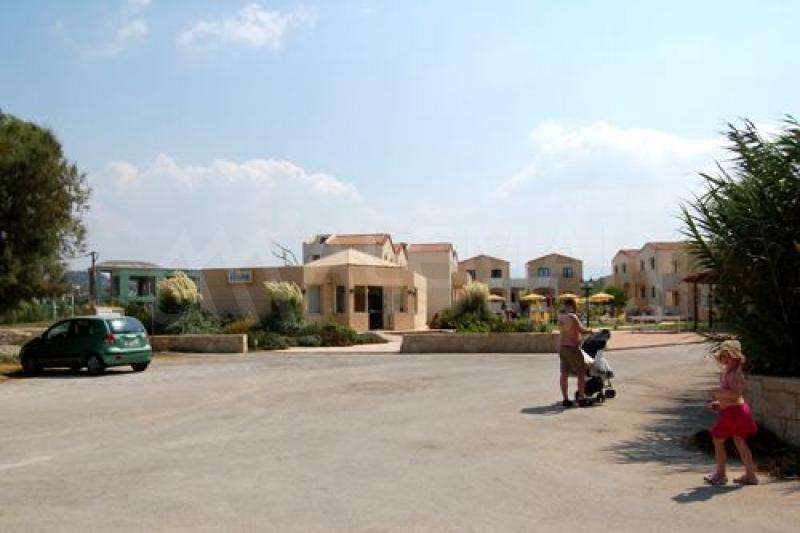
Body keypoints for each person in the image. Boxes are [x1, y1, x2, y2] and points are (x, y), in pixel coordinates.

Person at [704, 340, 759, 486]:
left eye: (729, 356)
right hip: (735, 411)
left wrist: (717, 393)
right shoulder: (729, 371)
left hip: (734, 412)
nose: (725, 359)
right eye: (723, 356)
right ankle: (750, 476)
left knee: (718, 439)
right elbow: (732, 396)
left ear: (736, 357)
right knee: (739, 441)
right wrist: (720, 403)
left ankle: (720, 475)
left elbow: (736, 394)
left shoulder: (736, 373)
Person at [557, 298, 593, 407]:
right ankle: (581, 399)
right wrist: (591, 330)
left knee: (564, 374)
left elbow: (564, 331)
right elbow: (582, 330)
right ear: (573, 305)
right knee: (581, 373)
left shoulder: (561, 317)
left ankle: (565, 399)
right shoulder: (573, 317)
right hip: (572, 348)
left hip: (562, 348)